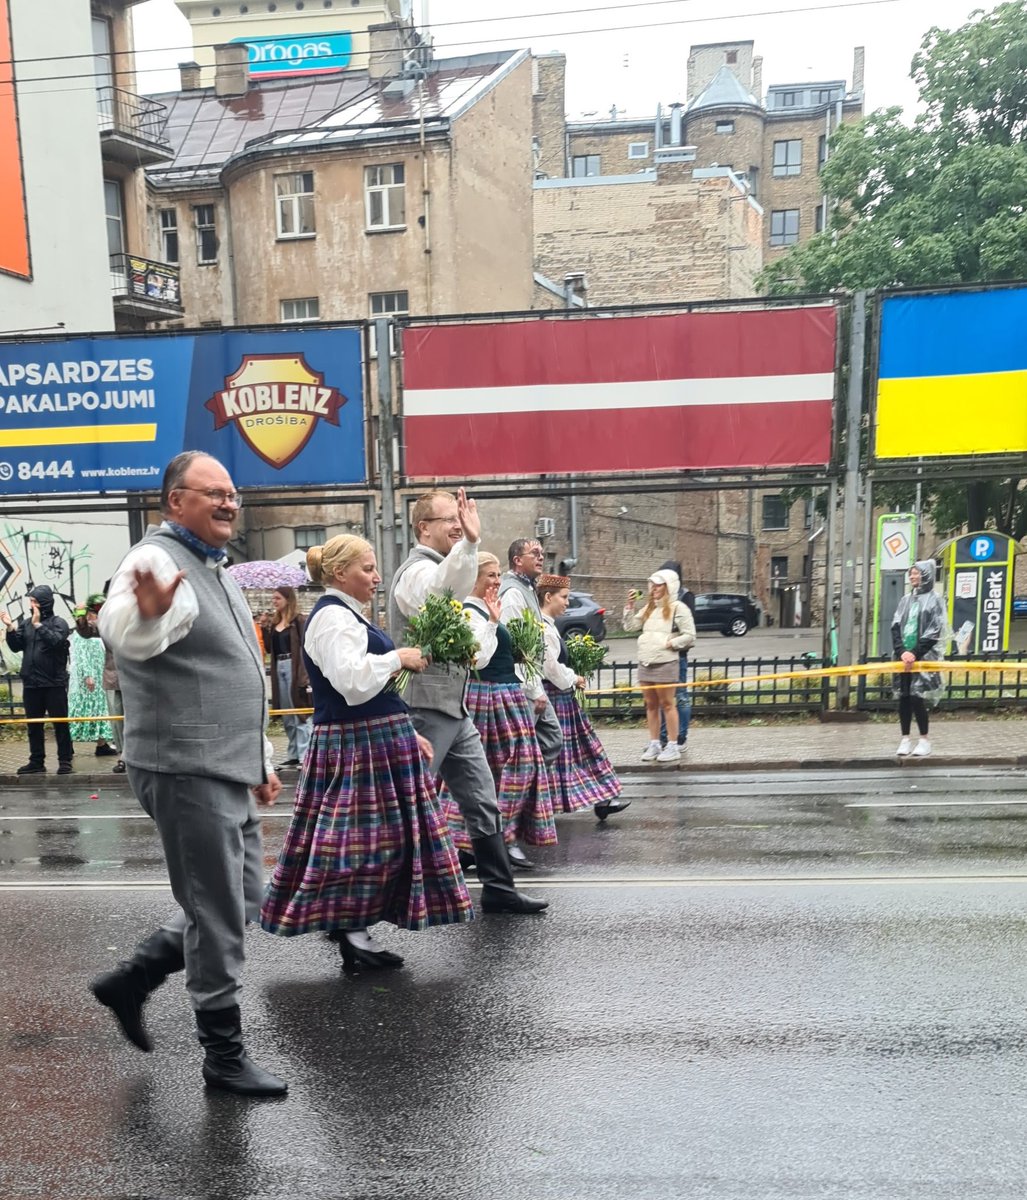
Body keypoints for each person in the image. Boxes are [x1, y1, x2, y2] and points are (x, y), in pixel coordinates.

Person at [90, 450, 286, 1098]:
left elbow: (236, 672)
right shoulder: (153, 561)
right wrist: (143, 615)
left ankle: (134, 978)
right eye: (212, 493)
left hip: (223, 763)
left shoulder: (213, 565)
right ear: (176, 501)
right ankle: (223, 1057)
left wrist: (257, 760)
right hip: (184, 762)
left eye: (232, 493)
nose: (229, 502)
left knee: (241, 899)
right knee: (218, 911)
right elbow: (124, 628)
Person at [261, 535, 473, 967]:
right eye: (368, 569)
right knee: (359, 846)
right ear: (340, 573)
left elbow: (368, 689)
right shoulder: (332, 619)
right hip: (357, 744)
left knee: (375, 844)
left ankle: (353, 928)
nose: (377, 578)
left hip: (373, 739)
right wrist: (397, 657)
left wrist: (403, 729)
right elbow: (352, 683)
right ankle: (352, 932)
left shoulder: (346, 615)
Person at [388, 488, 547, 915]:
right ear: (423, 528)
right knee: (404, 808)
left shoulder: (443, 567)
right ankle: (347, 908)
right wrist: (472, 545)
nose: (457, 526)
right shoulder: (414, 572)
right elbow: (438, 594)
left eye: (460, 520)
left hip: (453, 709)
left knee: (482, 798)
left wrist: (469, 547)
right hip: (424, 707)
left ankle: (498, 888)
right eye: (448, 521)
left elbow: (463, 619)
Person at [441, 552, 558, 865]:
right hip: (488, 697)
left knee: (506, 770)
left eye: (497, 574)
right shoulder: (469, 612)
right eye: (490, 575)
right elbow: (477, 657)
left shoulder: (484, 608)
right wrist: (493, 621)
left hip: (505, 696)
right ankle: (489, 839)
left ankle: (480, 840)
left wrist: (531, 688)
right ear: (472, 578)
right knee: (507, 769)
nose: (496, 580)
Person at [538, 574, 627, 820]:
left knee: (581, 750)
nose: (567, 603)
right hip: (555, 696)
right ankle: (596, 798)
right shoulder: (544, 629)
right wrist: (573, 678)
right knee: (569, 753)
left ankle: (603, 797)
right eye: (564, 597)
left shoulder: (549, 626)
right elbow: (549, 667)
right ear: (548, 597)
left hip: (560, 697)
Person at [498, 538, 564, 771]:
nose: (541, 557)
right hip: (521, 686)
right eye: (534, 553)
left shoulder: (526, 588)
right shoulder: (512, 594)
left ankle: (524, 791)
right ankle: (514, 794)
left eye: (542, 554)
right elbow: (514, 647)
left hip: (531, 682)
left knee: (551, 738)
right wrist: (534, 690)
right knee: (520, 750)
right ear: (517, 561)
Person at [624, 568, 696, 763]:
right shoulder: (648, 607)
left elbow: (690, 635)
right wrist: (630, 606)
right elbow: (630, 627)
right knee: (650, 704)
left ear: (668, 587)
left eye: (658, 585)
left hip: (666, 662)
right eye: (652, 585)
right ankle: (655, 743)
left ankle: (672, 745)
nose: (653, 588)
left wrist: (671, 643)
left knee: (668, 704)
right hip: (646, 660)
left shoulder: (678, 608)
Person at [1, 585, 73, 775]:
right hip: (31, 683)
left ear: (45, 603)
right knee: (34, 724)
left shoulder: (59, 623)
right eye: (30, 602)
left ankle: (65, 760)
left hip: (53, 683)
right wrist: (10, 627)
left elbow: (56, 643)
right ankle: (36, 761)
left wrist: (39, 625)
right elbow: (16, 646)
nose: (31, 605)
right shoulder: (25, 624)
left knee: (60, 723)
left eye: (34, 602)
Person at [891, 559, 946, 759]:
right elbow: (896, 626)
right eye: (911, 574)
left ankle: (924, 739)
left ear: (927, 575)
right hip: (903, 658)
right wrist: (902, 651)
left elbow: (934, 631)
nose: (913, 577)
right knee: (904, 696)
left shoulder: (935, 600)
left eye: (917, 573)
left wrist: (915, 652)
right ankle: (905, 738)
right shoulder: (906, 600)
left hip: (922, 657)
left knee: (917, 697)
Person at [75, 591, 126, 773]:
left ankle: (139, 756)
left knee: (137, 720)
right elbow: (86, 631)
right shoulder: (105, 623)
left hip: (136, 679)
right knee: (117, 721)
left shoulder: (131, 617)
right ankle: (123, 757)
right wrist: (81, 615)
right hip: (114, 679)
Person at [262, 586, 312, 770]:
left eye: (277, 598)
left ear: (287, 599)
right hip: (279, 667)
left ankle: (304, 754)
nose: (274, 602)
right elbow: (269, 649)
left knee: (299, 711)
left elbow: (305, 648)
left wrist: (303, 676)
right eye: (273, 598)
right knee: (286, 712)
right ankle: (292, 753)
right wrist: (266, 628)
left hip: (294, 666)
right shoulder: (275, 623)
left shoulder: (298, 621)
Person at [656, 559, 696, 752]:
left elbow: (688, 631)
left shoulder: (685, 596)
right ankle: (664, 738)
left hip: (677, 655)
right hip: (660, 656)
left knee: (680, 697)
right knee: (664, 699)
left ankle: (681, 737)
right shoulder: (659, 598)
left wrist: (670, 639)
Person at [68, 608, 116, 757]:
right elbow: (81, 654)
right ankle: (67, 744)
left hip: (98, 675)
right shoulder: (81, 633)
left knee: (99, 710)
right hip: (87, 680)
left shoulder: (96, 630)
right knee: (81, 710)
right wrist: (88, 675)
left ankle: (101, 744)